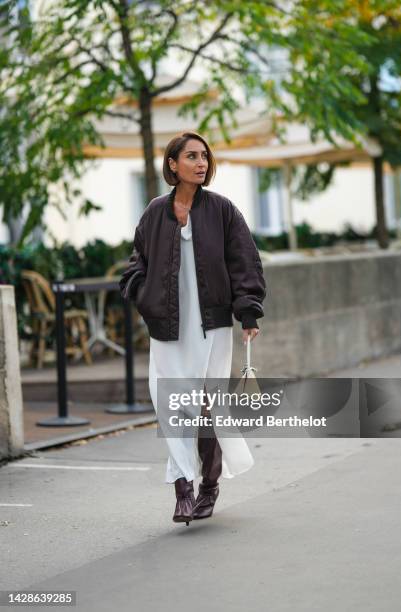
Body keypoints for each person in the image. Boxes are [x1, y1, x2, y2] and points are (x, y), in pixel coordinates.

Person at [119, 131, 266, 526]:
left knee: (205, 407)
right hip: (167, 327)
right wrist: (141, 294)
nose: (201, 163)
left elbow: (244, 262)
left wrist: (248, 312)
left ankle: (210, 485)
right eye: (191, 156)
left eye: (204, 156)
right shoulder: (154, 212)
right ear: (172, 164)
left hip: (212, 327)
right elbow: (136, 264)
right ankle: (183, 486)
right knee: (170, 404)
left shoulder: (222, 210)